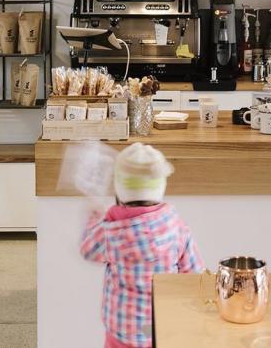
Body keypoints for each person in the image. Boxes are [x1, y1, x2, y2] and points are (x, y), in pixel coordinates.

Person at [80, 143, 203, 348]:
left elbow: (88, 250)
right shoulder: (176, 227)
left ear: (120, 189)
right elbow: (194, 275)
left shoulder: (110, 231)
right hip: (163, 326)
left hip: (122, 331)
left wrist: (94, 217)